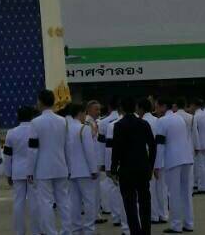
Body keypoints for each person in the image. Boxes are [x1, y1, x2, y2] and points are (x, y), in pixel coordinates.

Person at [111, 95, 156, 235]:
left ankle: (135, 231)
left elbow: (116, 149)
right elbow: (153, 146)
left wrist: (113, 169)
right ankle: (146, 231)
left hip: (126, 169)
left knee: (130, 205)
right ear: (135, 107)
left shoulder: (118, 125)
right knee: (145, 202)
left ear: (121, 108)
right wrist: (150, 165)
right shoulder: (144, 123)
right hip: (143, 167)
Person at [28, 89, 71, 235]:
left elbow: (33, 150)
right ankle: (67, 231)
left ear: (40, 101)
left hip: (43, 168)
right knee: (64, 201)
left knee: (45, 203)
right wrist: (69, 166)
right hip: (61, 166)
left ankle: (51, 232)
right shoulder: (63, 121)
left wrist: (29, 171)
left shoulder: (35, 122)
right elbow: (67, 145)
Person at [154, 97, 194, 233]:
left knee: (174, 193)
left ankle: (176, 225)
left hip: (173, 160)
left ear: (163, 106)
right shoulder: (180, 119)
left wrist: (157, 165)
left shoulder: (162, 121)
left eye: (157, 106)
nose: (156, 109)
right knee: (186, 193)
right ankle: (189, 223)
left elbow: (159, 145)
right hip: (186, 158)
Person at [4, 105, 38, 235]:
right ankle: (36, 231)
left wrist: (8, 173)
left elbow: (7, 155)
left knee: (18, 202)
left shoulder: (11, 133)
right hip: (34, 170)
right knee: (34, 202)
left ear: (18, 117)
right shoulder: (36, 130)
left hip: (17, 171)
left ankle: (19, 231)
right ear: (31, 116)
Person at [64, 103, 98, 235]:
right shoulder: (84, 128)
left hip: (71, 171)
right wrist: (93, 169)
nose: (85, 116)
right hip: (85, 171)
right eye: (84, 113)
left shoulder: (66, 129)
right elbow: (89, 151)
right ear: (80, 113)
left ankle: (76, 228)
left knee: (74, 202)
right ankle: (89, 229)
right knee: (90, 201)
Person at [97, 97, 123, 227]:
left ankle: (115, 215)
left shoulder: (103, 122)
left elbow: (103, 146)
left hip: (111, 158)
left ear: (109, 107)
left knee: (112, 187)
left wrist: (103, 163)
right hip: (126, 160)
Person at [140, 98, 166, 224]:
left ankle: (153, 215)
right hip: (160, 157)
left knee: (150, 189)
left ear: (140, 109)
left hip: (148, 158)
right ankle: (163, 214)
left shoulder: (142, 122)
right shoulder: (158, 120)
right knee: (161, 189)